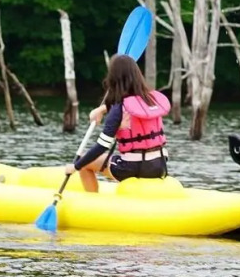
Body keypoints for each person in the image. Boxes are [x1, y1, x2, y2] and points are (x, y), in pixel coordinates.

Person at [64, 53, 171, 191]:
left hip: (132, 169)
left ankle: (92, 203)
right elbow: (130, 108)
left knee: (85, 162)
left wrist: (75, 166)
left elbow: (101, 147)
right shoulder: (151, 101)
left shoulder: (118, 109)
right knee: (118, 158)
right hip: (159, 166)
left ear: (114, 78)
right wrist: (102, 109)